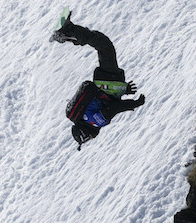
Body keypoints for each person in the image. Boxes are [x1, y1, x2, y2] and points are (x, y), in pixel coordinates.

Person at [52, 13, 145, 148]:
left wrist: (135, 104)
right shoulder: (86, 118)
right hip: (105, 85)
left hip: (107, 84)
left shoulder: (95, 122)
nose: (92, 137)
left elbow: (114, 107)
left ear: (85, 133)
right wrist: (124, 90)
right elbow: (106, 103)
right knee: (104, 45)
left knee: (104, 45)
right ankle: (69, 32)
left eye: (88, 138)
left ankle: (67, 32)